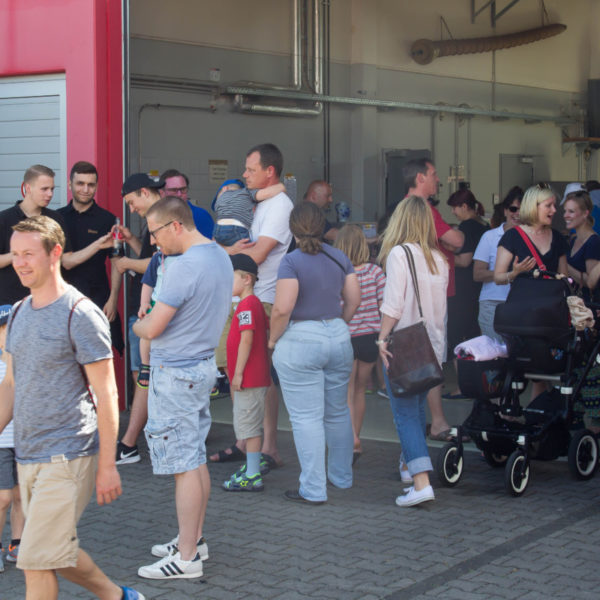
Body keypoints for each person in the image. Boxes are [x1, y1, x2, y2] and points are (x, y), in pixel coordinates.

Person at [0, 215, 143, 600]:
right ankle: (117, 596)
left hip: (68, 456)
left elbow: (107, 394)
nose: (20, 263)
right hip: (27, 458)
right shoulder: (16, 314)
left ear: (55, 253)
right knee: (55, 553)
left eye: (29, 254)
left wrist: (109, 465)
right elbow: (11, 384)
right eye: (15, 254)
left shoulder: (79, 314)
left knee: (33, 560)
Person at [133, 196, 232, 579]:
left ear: (175, 225)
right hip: (201, 366)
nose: (154, 244)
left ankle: (186, 558)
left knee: (184, 466)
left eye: (155, 234)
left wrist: (140, 323)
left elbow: (153, 327)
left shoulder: (182, 266)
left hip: (175, 373)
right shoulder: (218, 255)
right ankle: (194, 540)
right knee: (193, 458)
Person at [270, 202, 360, 504]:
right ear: (322, 227)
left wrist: (272, 340)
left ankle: (313, 488)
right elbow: (354, 300)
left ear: (292, 229)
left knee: (307, 418)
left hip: (301, 338)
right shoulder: (339, 257)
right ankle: (341, 477)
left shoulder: (291, 261)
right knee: (337, 412)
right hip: (337, 335)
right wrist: (337, 325)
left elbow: (283, 308)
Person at [210, 143, 293, 467]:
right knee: (237, 374)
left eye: (251, 170)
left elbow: (256, 257)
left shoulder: (281, 207)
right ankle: (244, 441)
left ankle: (268, 446)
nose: (244, 176)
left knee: (259, 376)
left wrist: (225, 254)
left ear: (269, 171)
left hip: (263, 301)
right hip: (239, 298)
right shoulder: (258, 200)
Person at [377, 196, 449, 507]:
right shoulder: (438, 257)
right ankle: (409, 468)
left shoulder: (399, 254)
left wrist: (382, 338)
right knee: (416, 410)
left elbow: (393, 304)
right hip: (431, 345)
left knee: (404, 415)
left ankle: (421, 481)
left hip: (403, 345)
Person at [402, 158, 463, 442]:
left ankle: (427, 423)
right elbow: (457, 241)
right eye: (434, 174)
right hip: (430, 296)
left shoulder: (410, 208)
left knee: (421, 357)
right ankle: (436, 422)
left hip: (418, 293)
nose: (438, 179)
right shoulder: (424, 209)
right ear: (420, 177)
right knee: (432, 357)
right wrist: (451, 236)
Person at [113, 173, 165, 464]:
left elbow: (158, 262)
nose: (131, 209)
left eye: (132, 202)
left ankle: (130, 442)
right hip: (146, 309)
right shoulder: (154, 220)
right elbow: (154, 258)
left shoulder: (161, 217)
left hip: (151, 311)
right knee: (142, 375)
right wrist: (133, 241)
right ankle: (137, 440)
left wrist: (126, 264)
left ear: (144, 192)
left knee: (144, 376)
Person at [58, 161, 124, 353]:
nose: (86, 189)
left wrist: (112, 299)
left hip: (97, 299)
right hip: (63, 301)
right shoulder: (57, 218)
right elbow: (65, 262)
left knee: (98, 355)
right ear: (70, 184)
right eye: (80, 184)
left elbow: (117, 262)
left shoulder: (108, 219)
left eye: (91, 185)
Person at [334, 224, 386, 463]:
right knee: (360, 391)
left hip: (346, 335)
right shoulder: (375, 272)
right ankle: (357, 437)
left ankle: (349, 438)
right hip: (369, 337)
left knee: (345, 392)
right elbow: (384, 305)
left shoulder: (336, 273)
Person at [222, 254, 270, 492]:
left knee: (249, 426)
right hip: (252, 377)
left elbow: (247, 338)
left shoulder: (247, 305)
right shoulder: (249, 304)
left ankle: (252, 474)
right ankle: (252, 467)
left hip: (249, 378)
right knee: (249, 425)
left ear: (247, 279)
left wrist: (238, 373)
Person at [0, 165, 74, 305]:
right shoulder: (4, 219)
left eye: (52, 189)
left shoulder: (56, 219)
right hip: (8, 305)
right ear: (28, 188)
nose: (50, 194)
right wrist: (20, 254)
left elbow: (65, 260)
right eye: (44, 189)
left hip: (48, 302)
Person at [443, 189, 489, 399]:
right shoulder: (483, 225)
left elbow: (465, 260)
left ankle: (464, 385)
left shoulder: (468, 227)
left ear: (464, 206)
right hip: (478, 290)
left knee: (456, 337)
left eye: (455, 207)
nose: (453, 212)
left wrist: (443, 251)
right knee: (473, 336)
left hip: (462, 290)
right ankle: (476, 383)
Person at [473, 187, 523, 341]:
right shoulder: (490, 237)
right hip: (493, 302)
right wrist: (506, 273)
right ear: (505, 211)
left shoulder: (533, 237)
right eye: (513, 209)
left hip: (522, 303)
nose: (517, 213)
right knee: (493, 352)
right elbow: (478, 274)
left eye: (522, 209)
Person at [494, 183, 568, 284]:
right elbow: (498, 278)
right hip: (524, 298)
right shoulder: (512, 236)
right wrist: (514, 273)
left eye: (554, 205)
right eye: (548, 206)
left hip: (551, 299)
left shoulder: (558, 237)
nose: (554, 210)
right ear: (533, 207)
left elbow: (564, 278)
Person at [0, 305, 24, 572]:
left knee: (21, 496)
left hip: (24, 439)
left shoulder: (24, 360)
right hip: (1, 441)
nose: (7, 334)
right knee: (3, 497)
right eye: (2, 329)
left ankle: (16, 544)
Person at [211, 178, 286, 246]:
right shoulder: (246, 193)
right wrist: (281, 186)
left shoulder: (220, 201)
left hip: (217, 229)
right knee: (249, 252)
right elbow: (266, 193)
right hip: (237, 229)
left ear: (224, 189)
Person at [563, 190, 600, 301]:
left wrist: (564, 264)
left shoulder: (593, 242)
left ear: (585, 213)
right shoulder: (575, 239)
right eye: (565, 211)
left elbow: (591, 283)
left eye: (571, 211)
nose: (566, 215)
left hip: (586, 309)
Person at [159, 169, 214, 238]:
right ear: (162, 193)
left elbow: (208, 247)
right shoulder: (156, 217)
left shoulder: (201, 216)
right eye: (174, 190)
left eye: (183, 189)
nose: (179, 194)